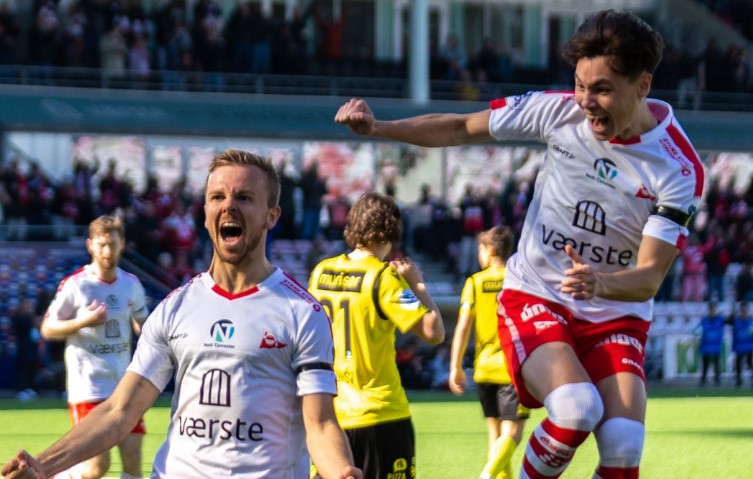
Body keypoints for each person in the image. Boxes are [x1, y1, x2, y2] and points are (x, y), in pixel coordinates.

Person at [334, 10, 705, 478]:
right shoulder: (556, 110)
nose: (586, 102)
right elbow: (459, 128)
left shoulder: (678, 167)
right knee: (576, 408)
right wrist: (380, 128)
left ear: (643, 85)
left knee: (625, 445)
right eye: (580, 85)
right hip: (538, 295)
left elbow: (649, 277)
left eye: (602, 89)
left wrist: (600, 283)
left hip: (615, 313)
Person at [2, 150, 361, 479]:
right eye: (217, 197)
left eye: (244, 197)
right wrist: (43, 466)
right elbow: (119, 410)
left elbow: (320, 424)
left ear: (272, 216)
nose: (228, 206)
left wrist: (342, 472)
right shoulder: (175, 307)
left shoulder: (302, 313)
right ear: (204, 213)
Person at [308, 192, 445, 479]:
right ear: (392, 229)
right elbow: (434, 332)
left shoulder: (321, 272)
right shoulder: (383, 278)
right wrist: (418, 284)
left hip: (330, 418)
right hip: (381, 414)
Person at [38, 215, 150, 479]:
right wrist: (83, 321)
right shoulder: (76, 285)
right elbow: (47, 328)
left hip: (123, 386)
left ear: (122, 244)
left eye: (113, 244)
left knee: (133, 458)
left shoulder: (131, 284)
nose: (107, 252)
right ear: (90, 245)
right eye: (102, 245)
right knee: (96, 468)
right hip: (88, 386)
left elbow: (143, 323)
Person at [449, 225, 528, 479]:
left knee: (495, 435)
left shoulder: (474, 282)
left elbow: (463, 327)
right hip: (512, 367)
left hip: (484, 368)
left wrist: (455, 365)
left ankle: (493, 474)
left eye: (480, 250)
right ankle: (487, 474)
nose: (478, 255)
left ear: (491, 250)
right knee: (512, 433)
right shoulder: (519, 279)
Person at [694, 301, 725, 386]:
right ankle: (703, 380)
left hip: (716, 346)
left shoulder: (720, 319)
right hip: (706, 346)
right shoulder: (704, 320)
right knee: (705, 364)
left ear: (716, 310)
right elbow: (696, 331)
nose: (712, 311)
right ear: (708, 310)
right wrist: (697, 333)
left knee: (716, 364)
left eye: (714, 309)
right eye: (711, 309)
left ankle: (717, 380)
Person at [730, 301, 753, 388]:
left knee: (750, 364)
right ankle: (738, 380)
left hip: (749, 347)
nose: (744, 311)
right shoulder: (735, 320)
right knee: (738, 365)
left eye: (745, 309)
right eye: (742, 309)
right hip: (739, 347)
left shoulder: (751, 321)